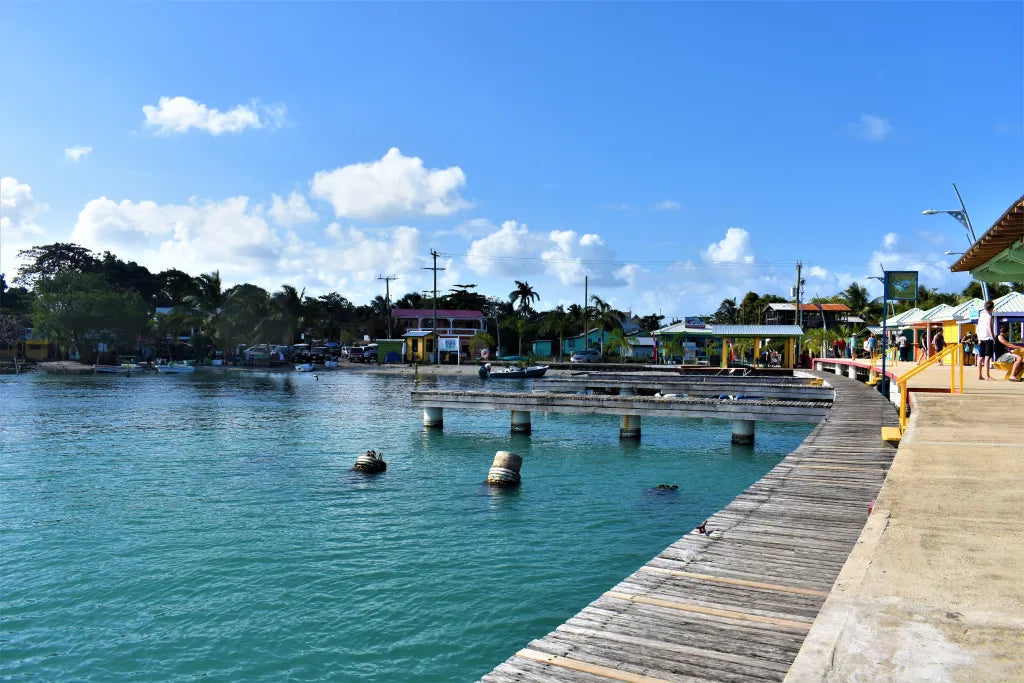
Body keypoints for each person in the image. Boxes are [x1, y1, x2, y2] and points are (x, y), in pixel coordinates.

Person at [977, 300, 996, 380]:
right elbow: (990, 328)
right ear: (992, 308)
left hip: (981, 338)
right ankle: (987, 376)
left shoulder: (981, 316)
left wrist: (978, 338)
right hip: (988, 338)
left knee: (980, 357)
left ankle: (979, 375)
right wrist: (993, 338)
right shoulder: (989, 316)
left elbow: (977, 328)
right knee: (987, 357)